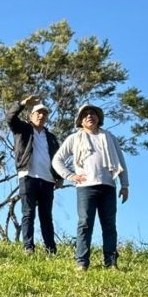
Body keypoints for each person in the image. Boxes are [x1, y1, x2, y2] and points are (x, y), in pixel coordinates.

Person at [52, 104, 129, 270]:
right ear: (81, 120)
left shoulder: (109, 137)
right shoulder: (74, 138)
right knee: (85, 223)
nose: (89, 116)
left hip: (108, 185)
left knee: (109, 224)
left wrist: (124, 184)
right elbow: (57, 160)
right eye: (85, 115)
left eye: (93, 114)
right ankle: (82, 262)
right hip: (86, 186)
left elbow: (121, 162)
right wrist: (70, 176)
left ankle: (111, 262)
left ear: (98, 118)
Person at [7, 95, 62, 253]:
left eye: (44, 113)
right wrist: (22, 103)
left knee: (46, 217)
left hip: (47, 180)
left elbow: (57, 157)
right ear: (30, 115)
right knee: (28, 213)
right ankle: (28, 247)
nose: (41, 115)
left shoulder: (51, 137)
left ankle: (51, 249)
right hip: (28, 176)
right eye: (38, 112)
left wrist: (59, 177)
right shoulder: (23, 129)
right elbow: (10, 118)